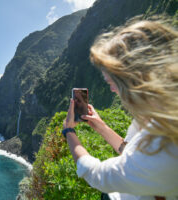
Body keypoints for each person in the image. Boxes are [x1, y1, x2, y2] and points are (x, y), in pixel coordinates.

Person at [62, 19, 178, 200]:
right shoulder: (158, 115)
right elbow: (130, 151)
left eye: (112, 82)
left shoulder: (165, 147)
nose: (112, 90)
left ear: (134, 78)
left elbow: (98, 175)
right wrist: (101, 127)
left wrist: (69, 131)